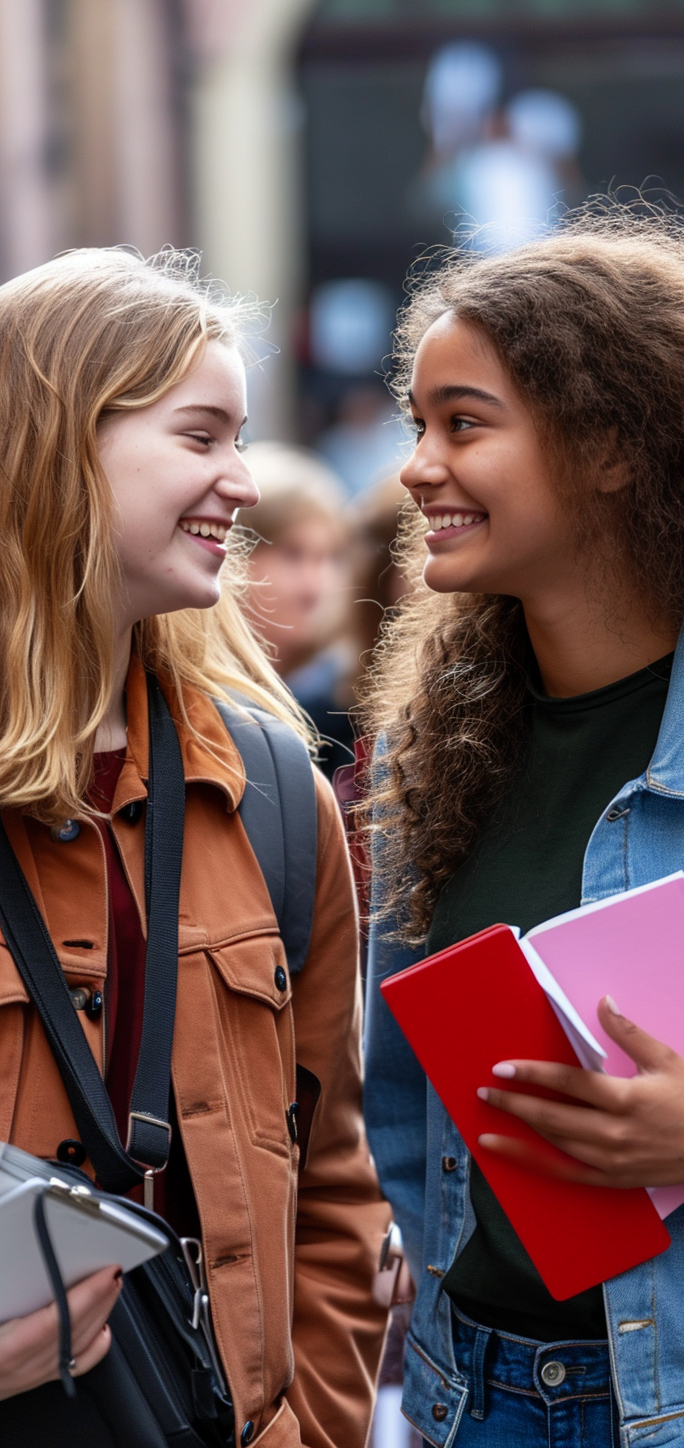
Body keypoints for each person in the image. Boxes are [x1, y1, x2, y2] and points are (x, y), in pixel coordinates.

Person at [362, 208, 684, 1448]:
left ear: (613, 447)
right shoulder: (433, 751)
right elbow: (408, 1104)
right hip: (472, 1397)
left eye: (464, 423)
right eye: (418, 425)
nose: (417, 466)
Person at [0, 248, 390, 1446]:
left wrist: (301, 1430)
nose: (241, 481)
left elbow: (333, 1187)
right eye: (201, 434)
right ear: (60, 443)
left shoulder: (276, 791)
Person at [243, 441, 354, 779]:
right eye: (293, 555)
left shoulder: (340, 701)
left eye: (327, 558)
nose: (315, 585)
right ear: (233, 555)